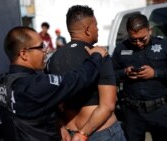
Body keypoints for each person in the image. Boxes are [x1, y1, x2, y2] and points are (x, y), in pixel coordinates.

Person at [0, 26, 108, 141]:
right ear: (24, 53)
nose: (46, 50)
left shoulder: (4, 81)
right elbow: (78, 79)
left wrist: (60, 125)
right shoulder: (33, 86)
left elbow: (39, 109)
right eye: (41, 47)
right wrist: (96, 56)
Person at [47, 5, 126, 141]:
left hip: (69, 132)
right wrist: (83, 133)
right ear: (88, 29)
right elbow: (108, 105)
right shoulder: (99, 54)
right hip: (99, 133)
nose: (98, 29)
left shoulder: (53, 59)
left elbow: (51, 101)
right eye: (96, 25)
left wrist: (60, 126)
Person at [111, 13, 167, 141]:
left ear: (149, 30)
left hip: (159, 109)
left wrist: (155, 73)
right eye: (134, 39)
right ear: (128, 33)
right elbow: (110, 75)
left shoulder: (164, 45)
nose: (138, 43)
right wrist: (124, 73)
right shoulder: (121, 48)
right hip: (131, 112)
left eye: (142, 38)